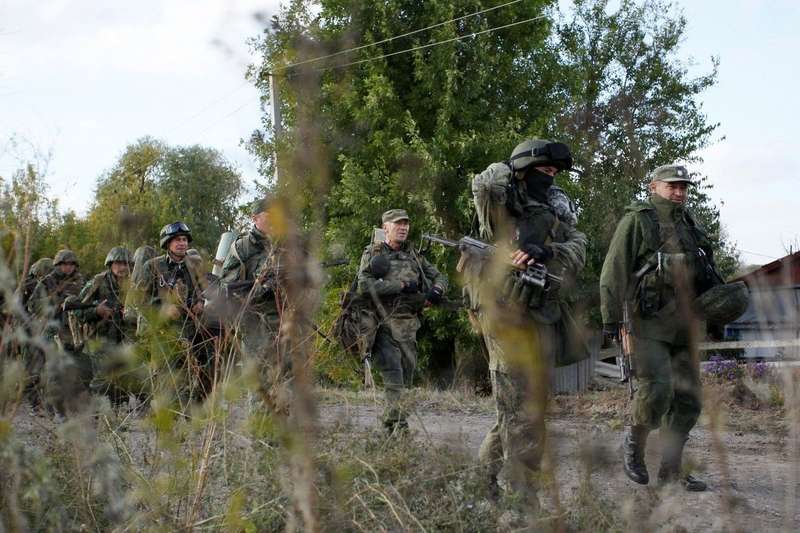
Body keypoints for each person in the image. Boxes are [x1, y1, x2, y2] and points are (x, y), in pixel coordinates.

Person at [466, 139, 587, 509]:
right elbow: (483, 185)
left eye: (554, 174)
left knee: (523, 407)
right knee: (521, 411)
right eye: (542, 172)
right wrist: (512, 165)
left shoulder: (556, 206)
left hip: (540, 311)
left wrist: (547, 251)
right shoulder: (499, 200)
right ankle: (524, 500)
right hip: (503, 313)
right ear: (523, 171)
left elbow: (580, 246)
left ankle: (480, 483)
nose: (548, 179)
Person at [600, 164, 721, 492]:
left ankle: (671, 469)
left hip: (685, 325)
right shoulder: (637, 221)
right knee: (656, 391)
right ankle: (634, 448)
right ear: (654, 187)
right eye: (672, 186)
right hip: (647, 324)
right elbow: (614, 271)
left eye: (683, 187)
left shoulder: (691, 225)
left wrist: (717, 315)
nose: (679, 192)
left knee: (688, 400)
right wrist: (610, 319)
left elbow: (707, 274)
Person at [356, 209, 448, 434]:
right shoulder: (374, 253)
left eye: (406, 223)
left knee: (406, 380)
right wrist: (401, 286)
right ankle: (401, 427)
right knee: (394, 376)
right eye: (398, 224)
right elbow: (363, 285)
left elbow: (440, 276)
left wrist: (436, 290)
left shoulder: (414, 255)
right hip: (382, 325)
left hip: (409, 327)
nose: (404, 227)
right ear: (385, 227)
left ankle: (390, 426)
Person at [131, 222, 211, 398]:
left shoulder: (194, 265)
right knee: (166, 380)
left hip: (190, 329)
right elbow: (140, 301)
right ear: (167, 243)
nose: (182, 243)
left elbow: (204, 289)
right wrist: (163, 310)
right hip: (162, 332)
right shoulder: (152, 266)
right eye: (177, 240)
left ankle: (190, 417)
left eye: (184, 239)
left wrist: (200, 302)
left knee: (193, 377)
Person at [219, 197, 285, 396]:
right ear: (254, 218)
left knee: (283, 372)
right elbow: (227, 285)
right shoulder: (242, 247)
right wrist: (262, 287)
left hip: (281, 320)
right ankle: (258, 423)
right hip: (253, 319)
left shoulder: (284, 246)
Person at [27, 249, 87, 413]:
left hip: (73, 329)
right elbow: (32, 305)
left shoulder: (80, 281)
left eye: (71, 264)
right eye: (64, 264)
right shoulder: (47, 281)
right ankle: (51, 407)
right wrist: (55, 302)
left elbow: (87, 300)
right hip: (51, 329)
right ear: (58, 265)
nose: (68, 267)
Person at [74, 246, 135, 401]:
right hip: (100, 339)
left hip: (124, 340)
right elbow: (77, 311)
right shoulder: (98, 282)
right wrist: (96, 311)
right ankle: (100, 415)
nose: (122, 267)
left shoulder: (134, 284)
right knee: (102, 380)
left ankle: (117, 416)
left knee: (121, 379)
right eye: (118, 263)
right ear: (110, 264)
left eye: (126, 264)